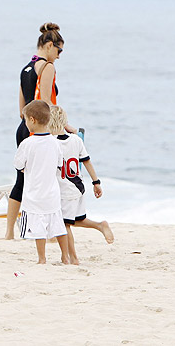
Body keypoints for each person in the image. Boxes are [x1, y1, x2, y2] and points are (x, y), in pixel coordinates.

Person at [6, 22, 75, 239]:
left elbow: (21, 110)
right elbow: (46, 103)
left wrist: (29, 121)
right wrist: (64, 126)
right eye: (59, 50)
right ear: (47, 45)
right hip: (39, 130)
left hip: (24, 127)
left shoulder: (26, 68)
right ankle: (51, 232)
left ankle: (9, 232)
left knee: (22, 179)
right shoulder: (46, 67)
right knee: (47, 182)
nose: (59, 56)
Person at [48, 105, 114, 265]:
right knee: (77, 219)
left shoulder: (50, 142)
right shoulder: (76, 140)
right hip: (78, 187)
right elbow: (87, 161)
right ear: (65, 122)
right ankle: (100, 225)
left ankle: (72, 258)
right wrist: (96, 182)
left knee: (64, 224)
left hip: (64, 190)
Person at [13, 100, 68, 264]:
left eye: (25, 120)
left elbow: (18, 165)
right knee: (58, 225)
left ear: (32, 120)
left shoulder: (27, 143)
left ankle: (42, 258)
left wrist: (25, 168)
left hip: (34, 194)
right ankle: (65, 256)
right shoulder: (54, 142)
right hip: (52, 193)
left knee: (38, 228)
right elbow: (60, 164)